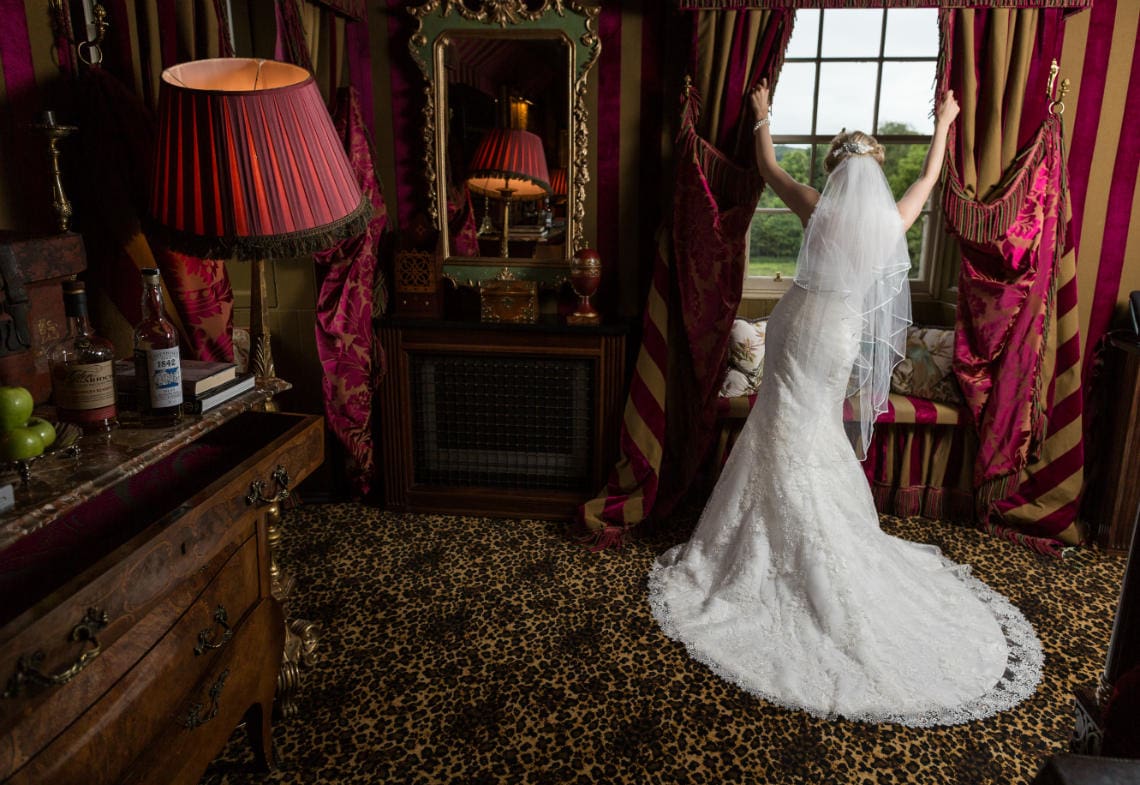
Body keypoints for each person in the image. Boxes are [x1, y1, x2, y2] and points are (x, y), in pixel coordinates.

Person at [647, 80, 1042, 726]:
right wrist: (944, 124)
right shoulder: (890, 221)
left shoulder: (816, 209)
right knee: (809, 431)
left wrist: (761, 113)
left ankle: (764, 540)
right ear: (875, 176)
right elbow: (933, 180)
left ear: (835, 172)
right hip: (834, 336)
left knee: (782, 424)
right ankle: (790, 534)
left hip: (796, 323)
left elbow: (769, 165)